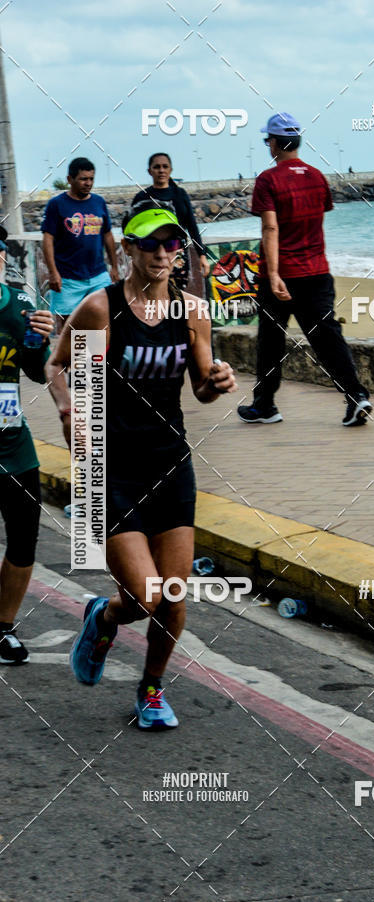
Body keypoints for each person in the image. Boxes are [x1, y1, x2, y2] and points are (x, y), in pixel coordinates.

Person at [46, 200, 236, 729]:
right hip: (111, 466)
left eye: (171, 243)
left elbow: (199, 389)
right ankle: (103, 616)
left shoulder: (193, 311)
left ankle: (151, 689)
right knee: (146, 596)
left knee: (173, 598)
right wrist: (68, 408)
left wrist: (217, 383)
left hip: (169, 463)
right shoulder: (100, 309)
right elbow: (55, 365)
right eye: (149, 243)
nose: (161, 253)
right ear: (127, 247)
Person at [237, 112, 372, 427]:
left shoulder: (268, 180)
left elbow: (271, 229)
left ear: (273, 143)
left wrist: (272, 275)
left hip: (281, 276)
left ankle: (265, 405)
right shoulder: (316, 176)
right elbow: (316, 218)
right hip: (317, 272)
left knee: (271, 342)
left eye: (267, 139)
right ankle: (356, 396)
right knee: (327, 338)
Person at [0, 225, 54, 663]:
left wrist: (43, 336)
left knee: (23, 542)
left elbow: (38, 371)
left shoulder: (19, 307)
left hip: (14, 447)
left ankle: (2, 628)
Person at [42, 157, 118, 334]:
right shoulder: (56, 204)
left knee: (101, 322)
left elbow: (107, 234)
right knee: (71, 328)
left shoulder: (98, 202)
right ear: (70, 179)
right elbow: (48, 240)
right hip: (68, 278)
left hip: (98, 275)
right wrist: (53, 273)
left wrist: (114, 266)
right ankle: (76, 361)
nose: (88, 183)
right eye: (83, 179)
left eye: (91, 179)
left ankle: (95, 361)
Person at [132, 153, 209, 290]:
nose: (161, 170)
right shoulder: (142, 197)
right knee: (154, 297)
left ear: (170, 170)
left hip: (178, 256)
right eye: (156, 167)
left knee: (176, 298)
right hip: (152, 255)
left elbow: (192, 227)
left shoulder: (180, 194)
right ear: (150, 171)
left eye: (165, 166)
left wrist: (202, 255)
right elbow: (133, 231)